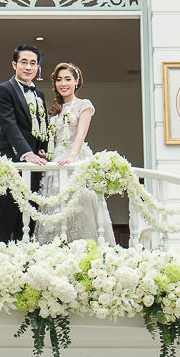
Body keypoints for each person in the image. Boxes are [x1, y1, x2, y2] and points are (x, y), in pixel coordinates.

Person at [38, 62, 114, 244]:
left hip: (75, 157)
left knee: (78, 202)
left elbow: (81, 133)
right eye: (59, 80)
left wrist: (72, 156)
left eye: (67, 79)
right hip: (56, 161)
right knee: (56, 203)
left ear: (76, 82)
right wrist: (47, 155)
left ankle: (82, 244)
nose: (63, 83)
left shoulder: (84, 105)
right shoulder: (55, 110)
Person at [0, 44, 49, 242]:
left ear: (37, 67)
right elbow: (9, 125)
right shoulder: (3, 90)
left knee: (29, 219)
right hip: (12, 162)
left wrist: (42, 149)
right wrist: (26, 153)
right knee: (6, 216)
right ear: (14, 64)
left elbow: (42, 125)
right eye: (24, 62)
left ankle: (24, 258)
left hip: (34, 167)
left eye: (33, 63)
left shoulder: (39, 95)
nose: (28, 67)